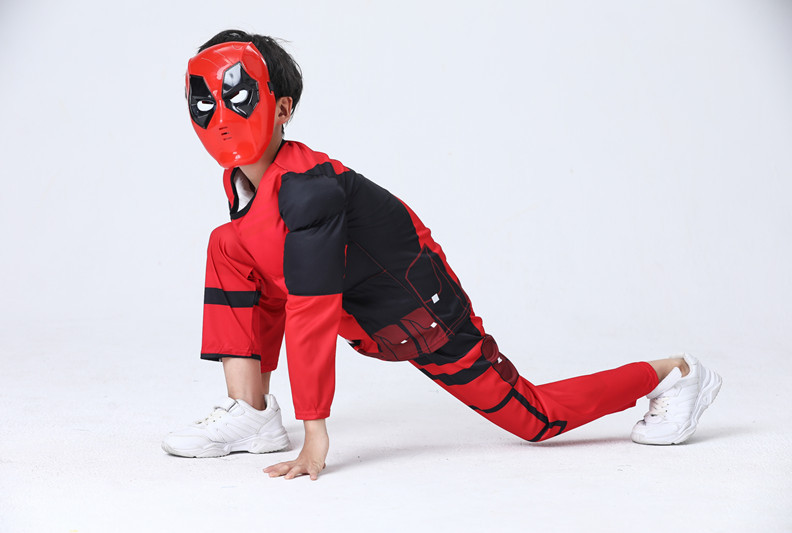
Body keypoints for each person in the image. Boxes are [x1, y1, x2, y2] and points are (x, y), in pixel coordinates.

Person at [162, 30, 723, 480]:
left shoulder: (309, 190)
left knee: (535, 419)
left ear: (282, 108)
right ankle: (252, 413)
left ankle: (673, 373)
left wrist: (315, 433)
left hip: (422, 317)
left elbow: (312, 308)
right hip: (366, 313)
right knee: (227, 244)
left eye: (239, 98)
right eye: (206, 102)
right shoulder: (244, 184)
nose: (221, 118)